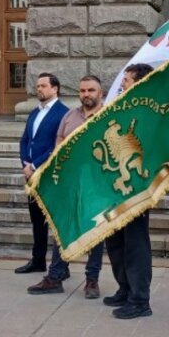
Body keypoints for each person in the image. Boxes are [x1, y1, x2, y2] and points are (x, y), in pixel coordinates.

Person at [102, 62, 156, 319]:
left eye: (127, 80)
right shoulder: (121, 106)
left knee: (135, 245)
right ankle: (124, 288)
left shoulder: (146, 110)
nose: (122, 83)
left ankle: (140, 299)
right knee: (115, 242)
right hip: (115, 190)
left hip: (137, 189)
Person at [46, 75, 107, 299]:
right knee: (63, 228)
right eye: (82, 90)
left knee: (95, 234)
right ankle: (56, 275)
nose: (86, 94)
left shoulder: (108, 116)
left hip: (97, 187)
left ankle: (92, 280)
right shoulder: (70, 116)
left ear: (100, 93)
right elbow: (59, 145)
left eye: (91, 90)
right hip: (70, 184)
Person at [16, 73, 69, 282]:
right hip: (31, 176)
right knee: (37, 221)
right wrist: (25, 164)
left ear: (55, 88)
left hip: (50, 175)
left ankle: (61, 266)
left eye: (43, 86)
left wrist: (36, 165)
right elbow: (25, 140)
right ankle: (37, 260)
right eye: (37, 86)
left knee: (55, 223)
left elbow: (56, 146)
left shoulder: (63, 113)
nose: (39, 89)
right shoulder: (34, 113)